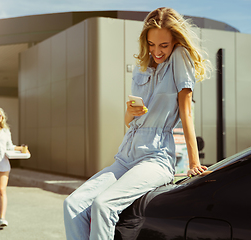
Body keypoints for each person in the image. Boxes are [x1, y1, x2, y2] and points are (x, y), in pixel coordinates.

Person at [63, 7, 212, 240]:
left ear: (174, 40)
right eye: (152, 44)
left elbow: (186, 112)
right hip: (126, 155)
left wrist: (194, 162)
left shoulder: (180, 56)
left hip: (155, 157)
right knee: (73, 204)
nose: (157, 51)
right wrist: (129, 111)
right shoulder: (142, 66)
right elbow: (129, 122)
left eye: (164, 45)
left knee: (104, 205)